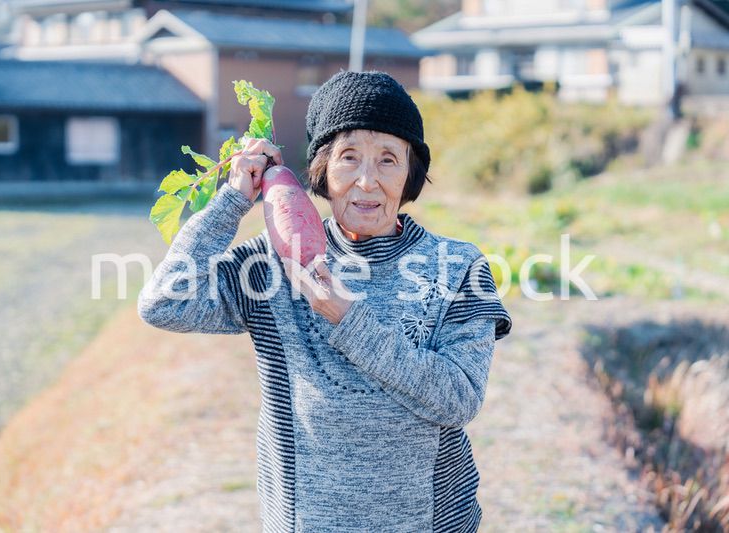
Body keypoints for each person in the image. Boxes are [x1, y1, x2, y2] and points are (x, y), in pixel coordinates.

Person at [138, 70, 512, 532]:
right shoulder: (274, 264)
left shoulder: (457, 266)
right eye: (349, 158)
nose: (368, 181)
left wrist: (349, 319)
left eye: (389, 159)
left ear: (411, 173)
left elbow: (459, 399)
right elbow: (164, 303)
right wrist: (233, 199)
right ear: (321, 171)